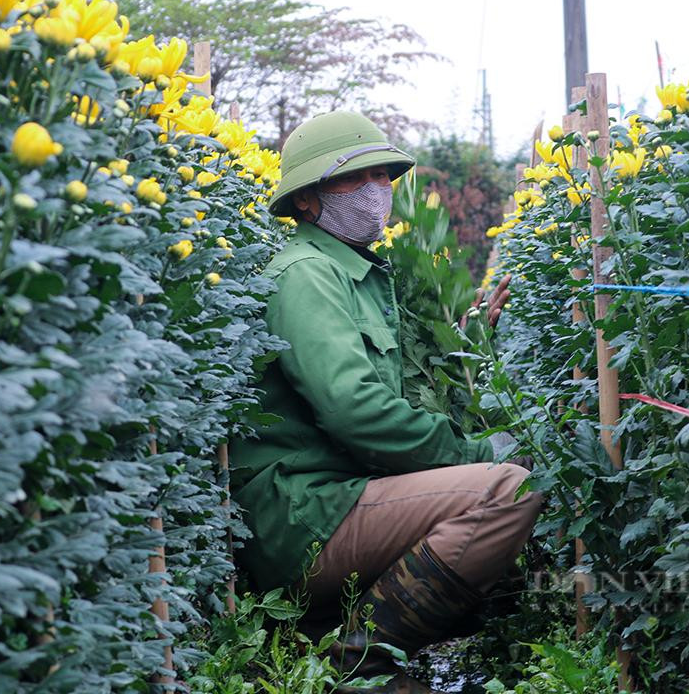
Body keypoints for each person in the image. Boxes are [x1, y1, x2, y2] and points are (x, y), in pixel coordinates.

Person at [229, 111, 541, 693]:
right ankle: (354, 666)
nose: (375, 190)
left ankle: (336, 639)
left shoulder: (356, 275)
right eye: (353, 178)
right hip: (305, 515)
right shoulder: (308, 275)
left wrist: (475, 341)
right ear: (306, 200)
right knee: (508, 490)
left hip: (339, 500)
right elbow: (358, 411)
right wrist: (473, 450)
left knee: (502, 530)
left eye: (383, 175)